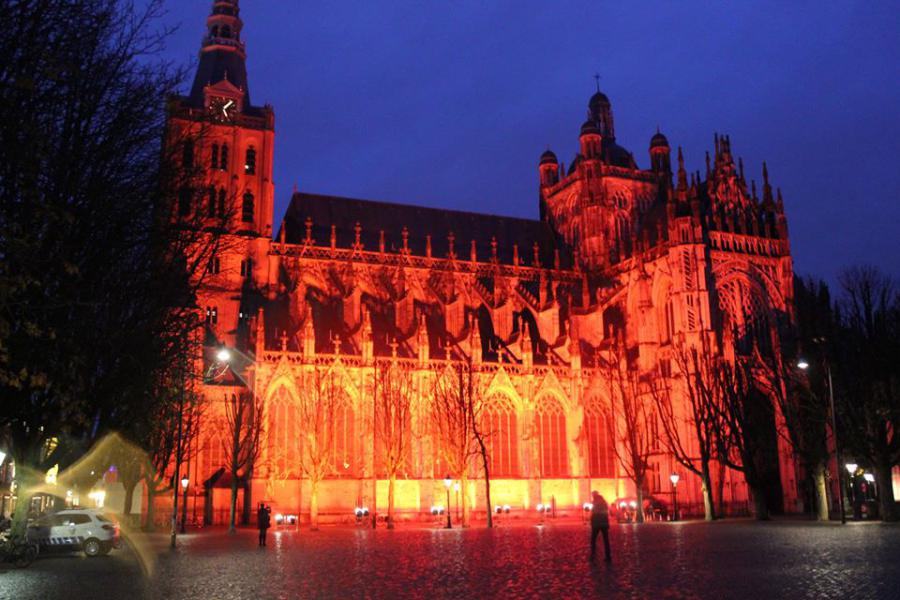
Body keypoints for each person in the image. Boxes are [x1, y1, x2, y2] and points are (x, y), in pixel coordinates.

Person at [590, 491, 611, 562]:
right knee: (606, 540)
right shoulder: (604, 502)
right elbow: (606, 512)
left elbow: (594, 513)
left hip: (597, 523)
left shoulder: (595, 502)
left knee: (593, 540)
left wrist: (592, 521)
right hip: (604, 523)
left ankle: (593, 555)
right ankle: (608, 556)